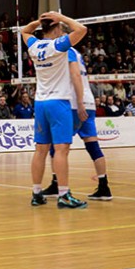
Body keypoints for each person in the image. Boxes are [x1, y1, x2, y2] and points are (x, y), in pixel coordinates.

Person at [22, 12, 88, 209]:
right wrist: (61, 17)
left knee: (40, 149)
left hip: (40, 103)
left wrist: (39, 21)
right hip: (58, 102)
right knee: (61, 150)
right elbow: (82, 29)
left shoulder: (34, 46)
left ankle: (36, 193)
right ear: (57, 28)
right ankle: (64, 195)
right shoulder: (58, 45)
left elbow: (25, 31)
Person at [42, 48, 112, 201]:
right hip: (89, 103)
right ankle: (104, 186)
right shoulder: (77, 53)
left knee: (58, 146)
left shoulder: (64, 50)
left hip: (74, 103)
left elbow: (75, 76)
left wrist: (79, 103)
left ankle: (57, 184)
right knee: (93, 146)